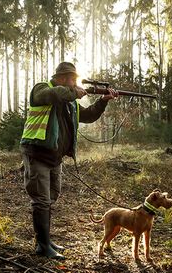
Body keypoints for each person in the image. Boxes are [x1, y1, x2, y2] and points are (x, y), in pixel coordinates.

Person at [20, 62, 118, 259]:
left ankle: (46, 240)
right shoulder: (42, 89)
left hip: (55, 158)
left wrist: (103, 100)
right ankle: (42, 245)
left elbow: (88, 116)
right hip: (37, 154)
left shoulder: (70, 103)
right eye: (73, 79)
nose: (75, 82)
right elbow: (53, 95)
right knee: (41, 200)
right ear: (62, 78)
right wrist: (74, 92)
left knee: (52, 196)